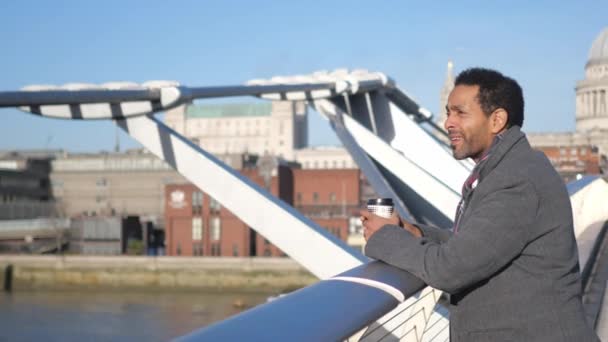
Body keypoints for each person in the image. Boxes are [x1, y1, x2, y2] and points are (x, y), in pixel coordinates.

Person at [360, 68, 599, 341]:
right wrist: (413, 232)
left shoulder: (516, 180)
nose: (448, 122)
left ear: (496, 120)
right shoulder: (507, 169)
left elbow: (450, 269)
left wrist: (385, 236)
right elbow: (476, 244)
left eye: (460, 113)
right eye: (448, 112)